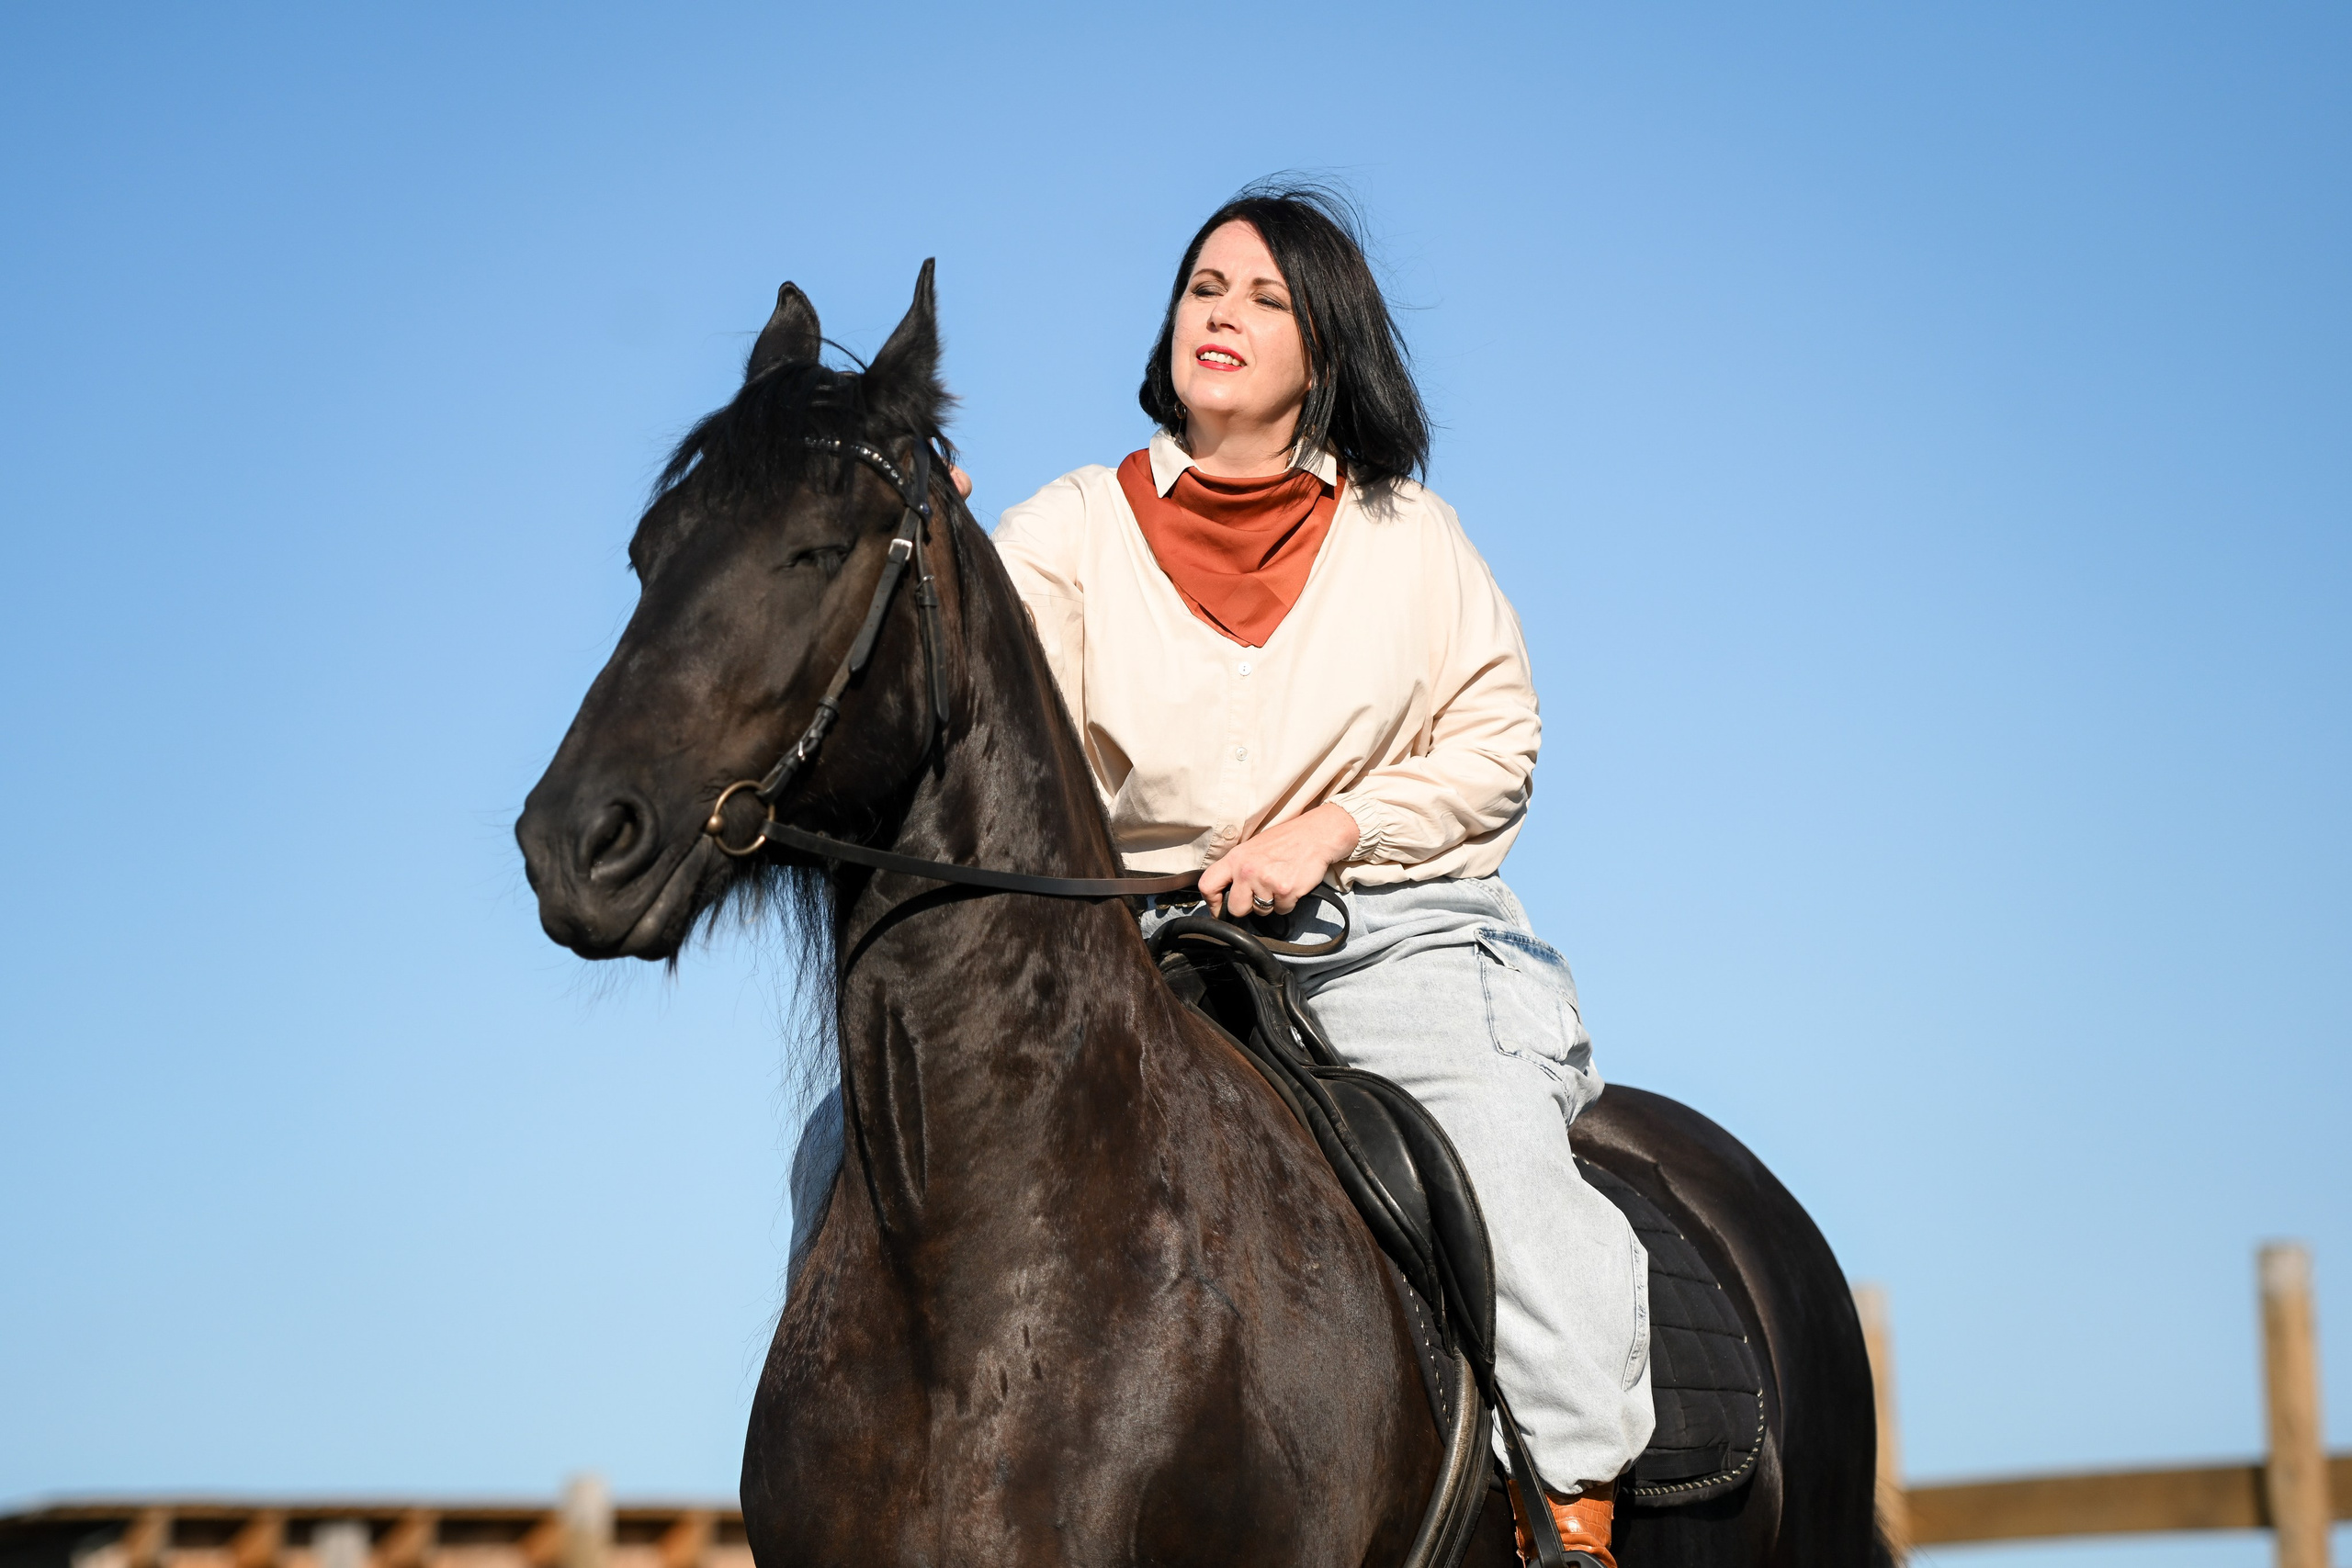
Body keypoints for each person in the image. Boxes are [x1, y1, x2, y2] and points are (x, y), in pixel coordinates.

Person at [984, 183, 1655, 1563]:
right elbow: (1001, 730)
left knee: (1492, 1149)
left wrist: (1328, 831)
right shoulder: (1061, 531)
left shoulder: (1414, 539)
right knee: (862, 1127)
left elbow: (1496, 742)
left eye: (1264, 299)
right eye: (1203, 288)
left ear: (1323, 353)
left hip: (1378, 931)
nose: (1220, 315)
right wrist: (931, 569)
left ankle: (1576, 1508)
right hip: (1139, 940)